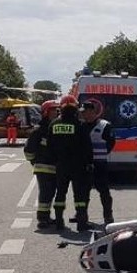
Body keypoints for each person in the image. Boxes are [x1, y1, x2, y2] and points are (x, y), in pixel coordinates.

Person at [46, 95, 93, 231]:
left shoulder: (54, 124)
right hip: (78, 166)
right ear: (75, 108)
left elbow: (49, 146)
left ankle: (59, 222)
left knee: (60, 193)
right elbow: (87, 147)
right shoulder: (80, 125)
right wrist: (89, 163)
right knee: (79, 195)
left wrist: (55, 160)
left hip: (61, 165)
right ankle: (81, 223)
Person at [24, 100, 60, 229]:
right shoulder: (39, 130)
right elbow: (28, 150)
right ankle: (42, 219)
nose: (55, 113)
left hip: (56, 168)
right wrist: (34, 161)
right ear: (45, 112)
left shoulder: (57, 128)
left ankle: (47, 217)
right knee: (45, 193)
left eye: (57, 110)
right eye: (52, 110)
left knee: (51, 194)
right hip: (43, 169)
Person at [81, 99, 115, 226]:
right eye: (82, 113)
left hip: (100, 164)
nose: (84, 115)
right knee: (83, 192)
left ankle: (108, 216)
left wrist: (101, 154)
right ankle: (82, 216)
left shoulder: (104, 125)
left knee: (104, 191)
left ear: (92, 112)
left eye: (85, 112)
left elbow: (111, 143)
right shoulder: (81, 126)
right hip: (85, 164)